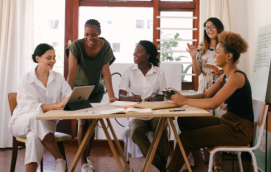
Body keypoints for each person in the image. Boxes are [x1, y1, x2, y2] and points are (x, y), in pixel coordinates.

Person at [166, 31, 252, 172]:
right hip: (228, 122)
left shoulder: (237, 77)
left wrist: (185, 101)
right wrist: (179, 96)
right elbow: (206, 95)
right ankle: (200, 166)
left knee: (185, 139)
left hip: (239, 130)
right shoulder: (225, 76)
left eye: (218, 52)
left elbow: (213, 103)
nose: (214, 55)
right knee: (185, 121)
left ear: (229, 56)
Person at [8, 43, 72, 172]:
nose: (53, 61)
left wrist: (72, 100)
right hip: (21, 122)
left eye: (54, 57)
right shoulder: (26, 79)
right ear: (38, 58)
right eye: (49, 58)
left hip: (46, 125)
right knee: (35, 116)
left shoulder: (58, 77)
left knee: (33, 137)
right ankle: (59, 158)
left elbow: (69, 95)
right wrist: (55, 105)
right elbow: (28, 106)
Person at [66, 19, 118, 172]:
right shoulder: (76, 46)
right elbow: (72, 72)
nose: (90, 38)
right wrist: (67, 94)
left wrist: (112, 96)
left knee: (92, 124)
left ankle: (86, 159)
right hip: (79, 90)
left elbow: (106, 72)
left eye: (93, 35)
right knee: (83, 123)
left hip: (96, 91)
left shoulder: (105, 46)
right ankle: (83, 162)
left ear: (99, 34)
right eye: (87, 34)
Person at [119, 40, 169, 172]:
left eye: (139, 51)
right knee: (136, 132)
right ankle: (162, 167)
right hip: (137, 114)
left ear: (148, 55)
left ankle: (162, 163)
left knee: (162, 128)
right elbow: (121, 96)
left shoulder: (159, 72)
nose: (134, 53)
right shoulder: (128, 71)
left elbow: (162, 95)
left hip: (155, 113)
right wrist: (131, 98)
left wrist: (154, 98)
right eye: (135, 50)